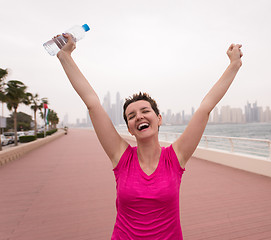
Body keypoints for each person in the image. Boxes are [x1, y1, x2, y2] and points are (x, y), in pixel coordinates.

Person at [56, 33, 243, 240]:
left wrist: (234, 64)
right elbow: (92, 103)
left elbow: (205, 107)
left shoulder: (175, 157)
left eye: (145, 111)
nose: (139, 117)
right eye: (131, 116)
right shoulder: (121, 157)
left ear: (158, 118)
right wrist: (65, 56)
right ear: (129, 128)